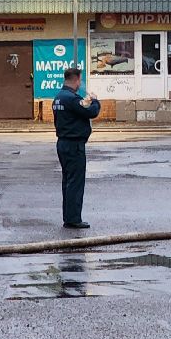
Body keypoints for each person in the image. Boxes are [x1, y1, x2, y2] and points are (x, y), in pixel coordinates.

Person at [52, 68, 100, 229]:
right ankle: (73, 219)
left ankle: (69, 216)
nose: (80, 83)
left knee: (68, 181)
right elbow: (91, 112)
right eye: (80, 80)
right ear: (76, 80)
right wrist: (95, 101)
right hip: (74, 145)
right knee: (75, 182)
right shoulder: (72, 99)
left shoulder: (58, 98)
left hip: (63, 143)